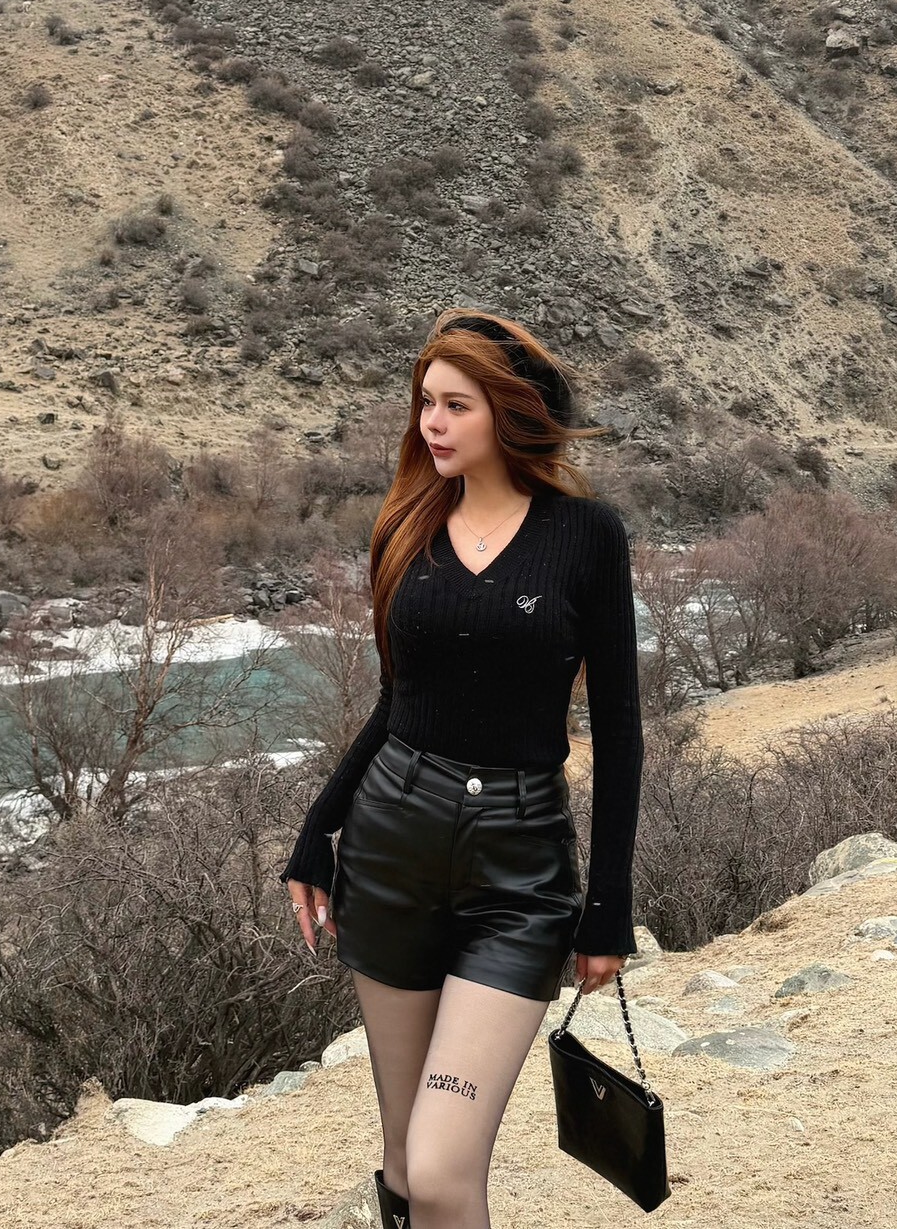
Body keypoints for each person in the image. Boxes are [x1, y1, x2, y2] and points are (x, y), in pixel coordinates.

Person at [279, 308, 644, 1229]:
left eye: (455, 404)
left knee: (444, 1168)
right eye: (425, 403)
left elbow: (620, 730)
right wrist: (317, 831)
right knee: (407, 1163)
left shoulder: (587, 536)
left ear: (509, 412)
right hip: (389, 852)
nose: (431, 424)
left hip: (519, 874)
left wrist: (607, 906)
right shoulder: (406, 525)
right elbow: (396, 704)